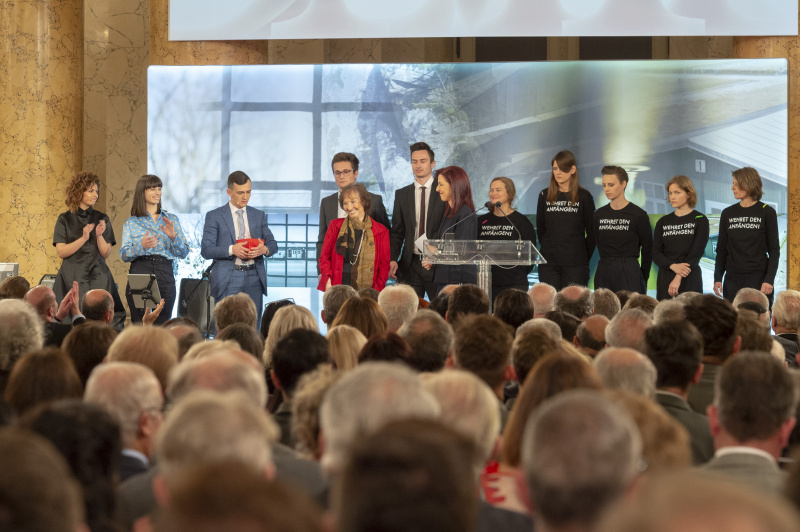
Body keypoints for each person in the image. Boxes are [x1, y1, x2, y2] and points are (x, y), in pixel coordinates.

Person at [201, 170, 278, 327]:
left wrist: (264, 250)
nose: (245, 197)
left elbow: (273, 244)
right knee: (224, 327)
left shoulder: (258, 215)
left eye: (248, 192)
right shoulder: (214, 216)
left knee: (253, 327)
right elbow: (206, 250)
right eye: (240, 192)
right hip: (228, 278)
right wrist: (232, 249)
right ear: (229, 192)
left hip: (254, 277)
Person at [53, 171, 125, 326]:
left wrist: (99, 235)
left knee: (102, 318)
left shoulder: (102, 218)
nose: (95, 195)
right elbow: (61, 251)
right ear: (79, 191)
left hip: (98, 274)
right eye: (91, 191)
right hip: (71, 275)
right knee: (69, 321)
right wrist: (83, 238)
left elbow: (105, 253)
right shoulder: (64, 219)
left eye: (96, 191)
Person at [120, 174, 189, 324]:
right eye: (152, 189)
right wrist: (141, 246)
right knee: (140, 323)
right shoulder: (132, 222)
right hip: (140, 269)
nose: (158, 192)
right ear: (142, 191)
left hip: (165, 271)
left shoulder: (171, 219)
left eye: (159, 188)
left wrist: (173, 237)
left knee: (163, 324)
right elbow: (124, 254)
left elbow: (184, 252)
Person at [714, 167, 780, 307]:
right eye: (733, 183)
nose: (732, 187)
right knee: (733, 319)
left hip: (759, 278)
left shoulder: (767, 212)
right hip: (732, 278)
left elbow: (774, 250)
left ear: (748, 183)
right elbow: (721, 249)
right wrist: (718, 277)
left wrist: (769, 280)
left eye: (736, 184)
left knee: (757, 318)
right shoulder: (727, 213)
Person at [389, 142, 446, 300]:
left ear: (432, 164)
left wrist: (438, 255)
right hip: (410, 263)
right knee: (409, 310)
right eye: (414, 161)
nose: (418, 165)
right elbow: (397, 231)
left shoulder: (443, 191)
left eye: (423, 161)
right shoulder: (402, 194)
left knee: (441, 310)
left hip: (437, 263)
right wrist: (393, 258)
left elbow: (448, 229)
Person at [317, 152, 390, 274]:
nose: (341, 176)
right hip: (335, 272)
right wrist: (321, 272)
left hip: (367, 271)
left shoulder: (374, 201)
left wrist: (383, 269)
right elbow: (322, 241)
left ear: (356, 173)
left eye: (346, 172)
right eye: (337, 173)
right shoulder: (327, 202)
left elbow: (386, 238)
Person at [536, 150, 596, 289]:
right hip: (549, 264)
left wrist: (581, 256)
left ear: (572, 170)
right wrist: (549, 249)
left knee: (574, 302)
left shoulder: (584, 196)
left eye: (563, 168)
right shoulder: (544, 195)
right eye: (555, 168)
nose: (558, 172)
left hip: (576, 264)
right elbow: (541, 229)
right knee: (551, 302)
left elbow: (592, 232)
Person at [317, 183, 391, 292]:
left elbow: (384, 266)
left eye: (353, 202)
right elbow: (324, 257)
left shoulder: (381, 231)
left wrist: (375, 291)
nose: (349, 207)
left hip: (368, 290)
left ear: (364, 202)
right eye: (345, 203)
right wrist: (328, 282)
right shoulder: (335, 226)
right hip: (338, 287)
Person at [592, 165, 653, 294]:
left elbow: (648, 250)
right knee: (604, 306)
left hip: (630, 270)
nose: (606, 189)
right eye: (604, 185)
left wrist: (642, 278)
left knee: (630, 307)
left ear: (623, 184)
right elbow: (596, 243)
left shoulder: (638, 214)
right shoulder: (598, 215)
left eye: (611, 185)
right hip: (604, 270)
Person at [478, 177, 537, 300]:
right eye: (491, 190)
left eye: (498, 190)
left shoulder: (521, 221)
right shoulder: (482, 221)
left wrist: (518, 273)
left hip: (515, 284)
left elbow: (531, 255)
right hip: (487, 283)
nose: (493, 193)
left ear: (509, 194)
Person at [652, 175, 709, 300]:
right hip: (666, 276)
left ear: (688, 194)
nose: (672, 197)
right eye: (670, 193)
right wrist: (673, 266)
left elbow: (696, 253)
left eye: (677, 192)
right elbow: (655, 252)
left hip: (690, 276)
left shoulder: (700, 219)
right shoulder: (663, 221)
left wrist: (678, 276)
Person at [424, 166, 477, 293]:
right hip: (446, 279)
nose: (437, 189)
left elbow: (461, 252)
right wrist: (433, 258)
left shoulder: (465, 214)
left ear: (454, 185)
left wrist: (437, 252)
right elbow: (448, 246)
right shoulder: (449, 212)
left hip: (458, 282)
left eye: (441, 184)